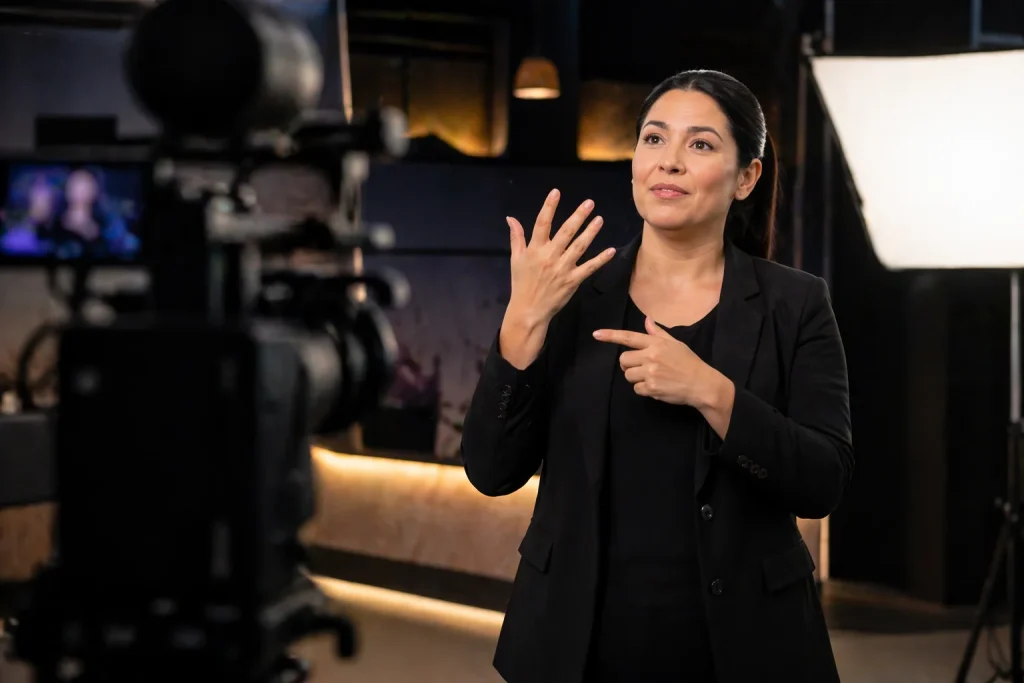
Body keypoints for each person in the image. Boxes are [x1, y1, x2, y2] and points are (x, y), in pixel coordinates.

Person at [460, 69, 853, 683]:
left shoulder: (794, 303)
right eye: (653, 139)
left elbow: (823, 481)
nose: (668, 162)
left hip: (745, 645)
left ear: (746, 177)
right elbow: (490, 471)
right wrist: (521, 325)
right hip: (580, 643)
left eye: (700, 144)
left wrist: (712, 392)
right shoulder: (574, 296)